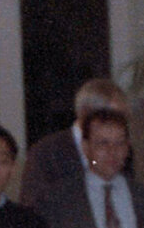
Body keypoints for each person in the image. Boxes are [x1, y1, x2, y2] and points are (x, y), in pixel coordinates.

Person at [21, 76, 128, 212]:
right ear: (85, 114)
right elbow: (34, 209)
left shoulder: (123, 150)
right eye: (111, 118)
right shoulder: (46, 153)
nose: (119, 125)